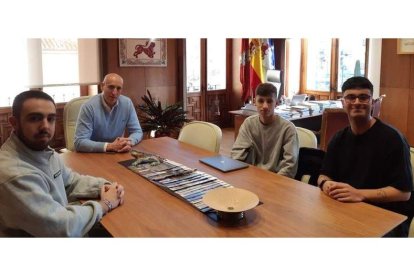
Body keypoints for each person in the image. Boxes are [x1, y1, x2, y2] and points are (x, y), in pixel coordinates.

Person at [0, 90, 124, 237]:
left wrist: (105, 185)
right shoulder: (13, 174)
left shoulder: (43, 150)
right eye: (34, 118)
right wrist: (105, 205)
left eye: (51, 119)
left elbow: (70, 181)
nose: (45, 126)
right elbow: (61, 227)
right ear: (14, 123)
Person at [318, 76, 413, 237]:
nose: (356, 102)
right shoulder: (338, 138)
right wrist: (326, 184)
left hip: (385, 219)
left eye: (363, 97)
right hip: (345, 211)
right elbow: (323, 175)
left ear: (372, 102)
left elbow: (404, 193)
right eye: (351, 97)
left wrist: (359, 194)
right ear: (343, 102)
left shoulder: (393, 139)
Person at [231, 83, 299, 178]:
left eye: (269, 101)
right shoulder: (249, 124)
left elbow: (290, 165)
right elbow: (236, 154)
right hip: (252, 176)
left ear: (277, 103)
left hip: (277, 180)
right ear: (255, 102)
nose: (265, 106)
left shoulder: (288, 129)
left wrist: (272, 182)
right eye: (261, 101)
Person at [74, 73, 143, 153]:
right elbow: (79, 142)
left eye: (118, 88)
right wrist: (110, 146)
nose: (114, 92)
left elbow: (137, 131)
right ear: (102, 86)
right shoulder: (88, 107)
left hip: (118, 153)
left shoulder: (127, 103)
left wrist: (129, 142)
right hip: (94, 154)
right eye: (111, 87)